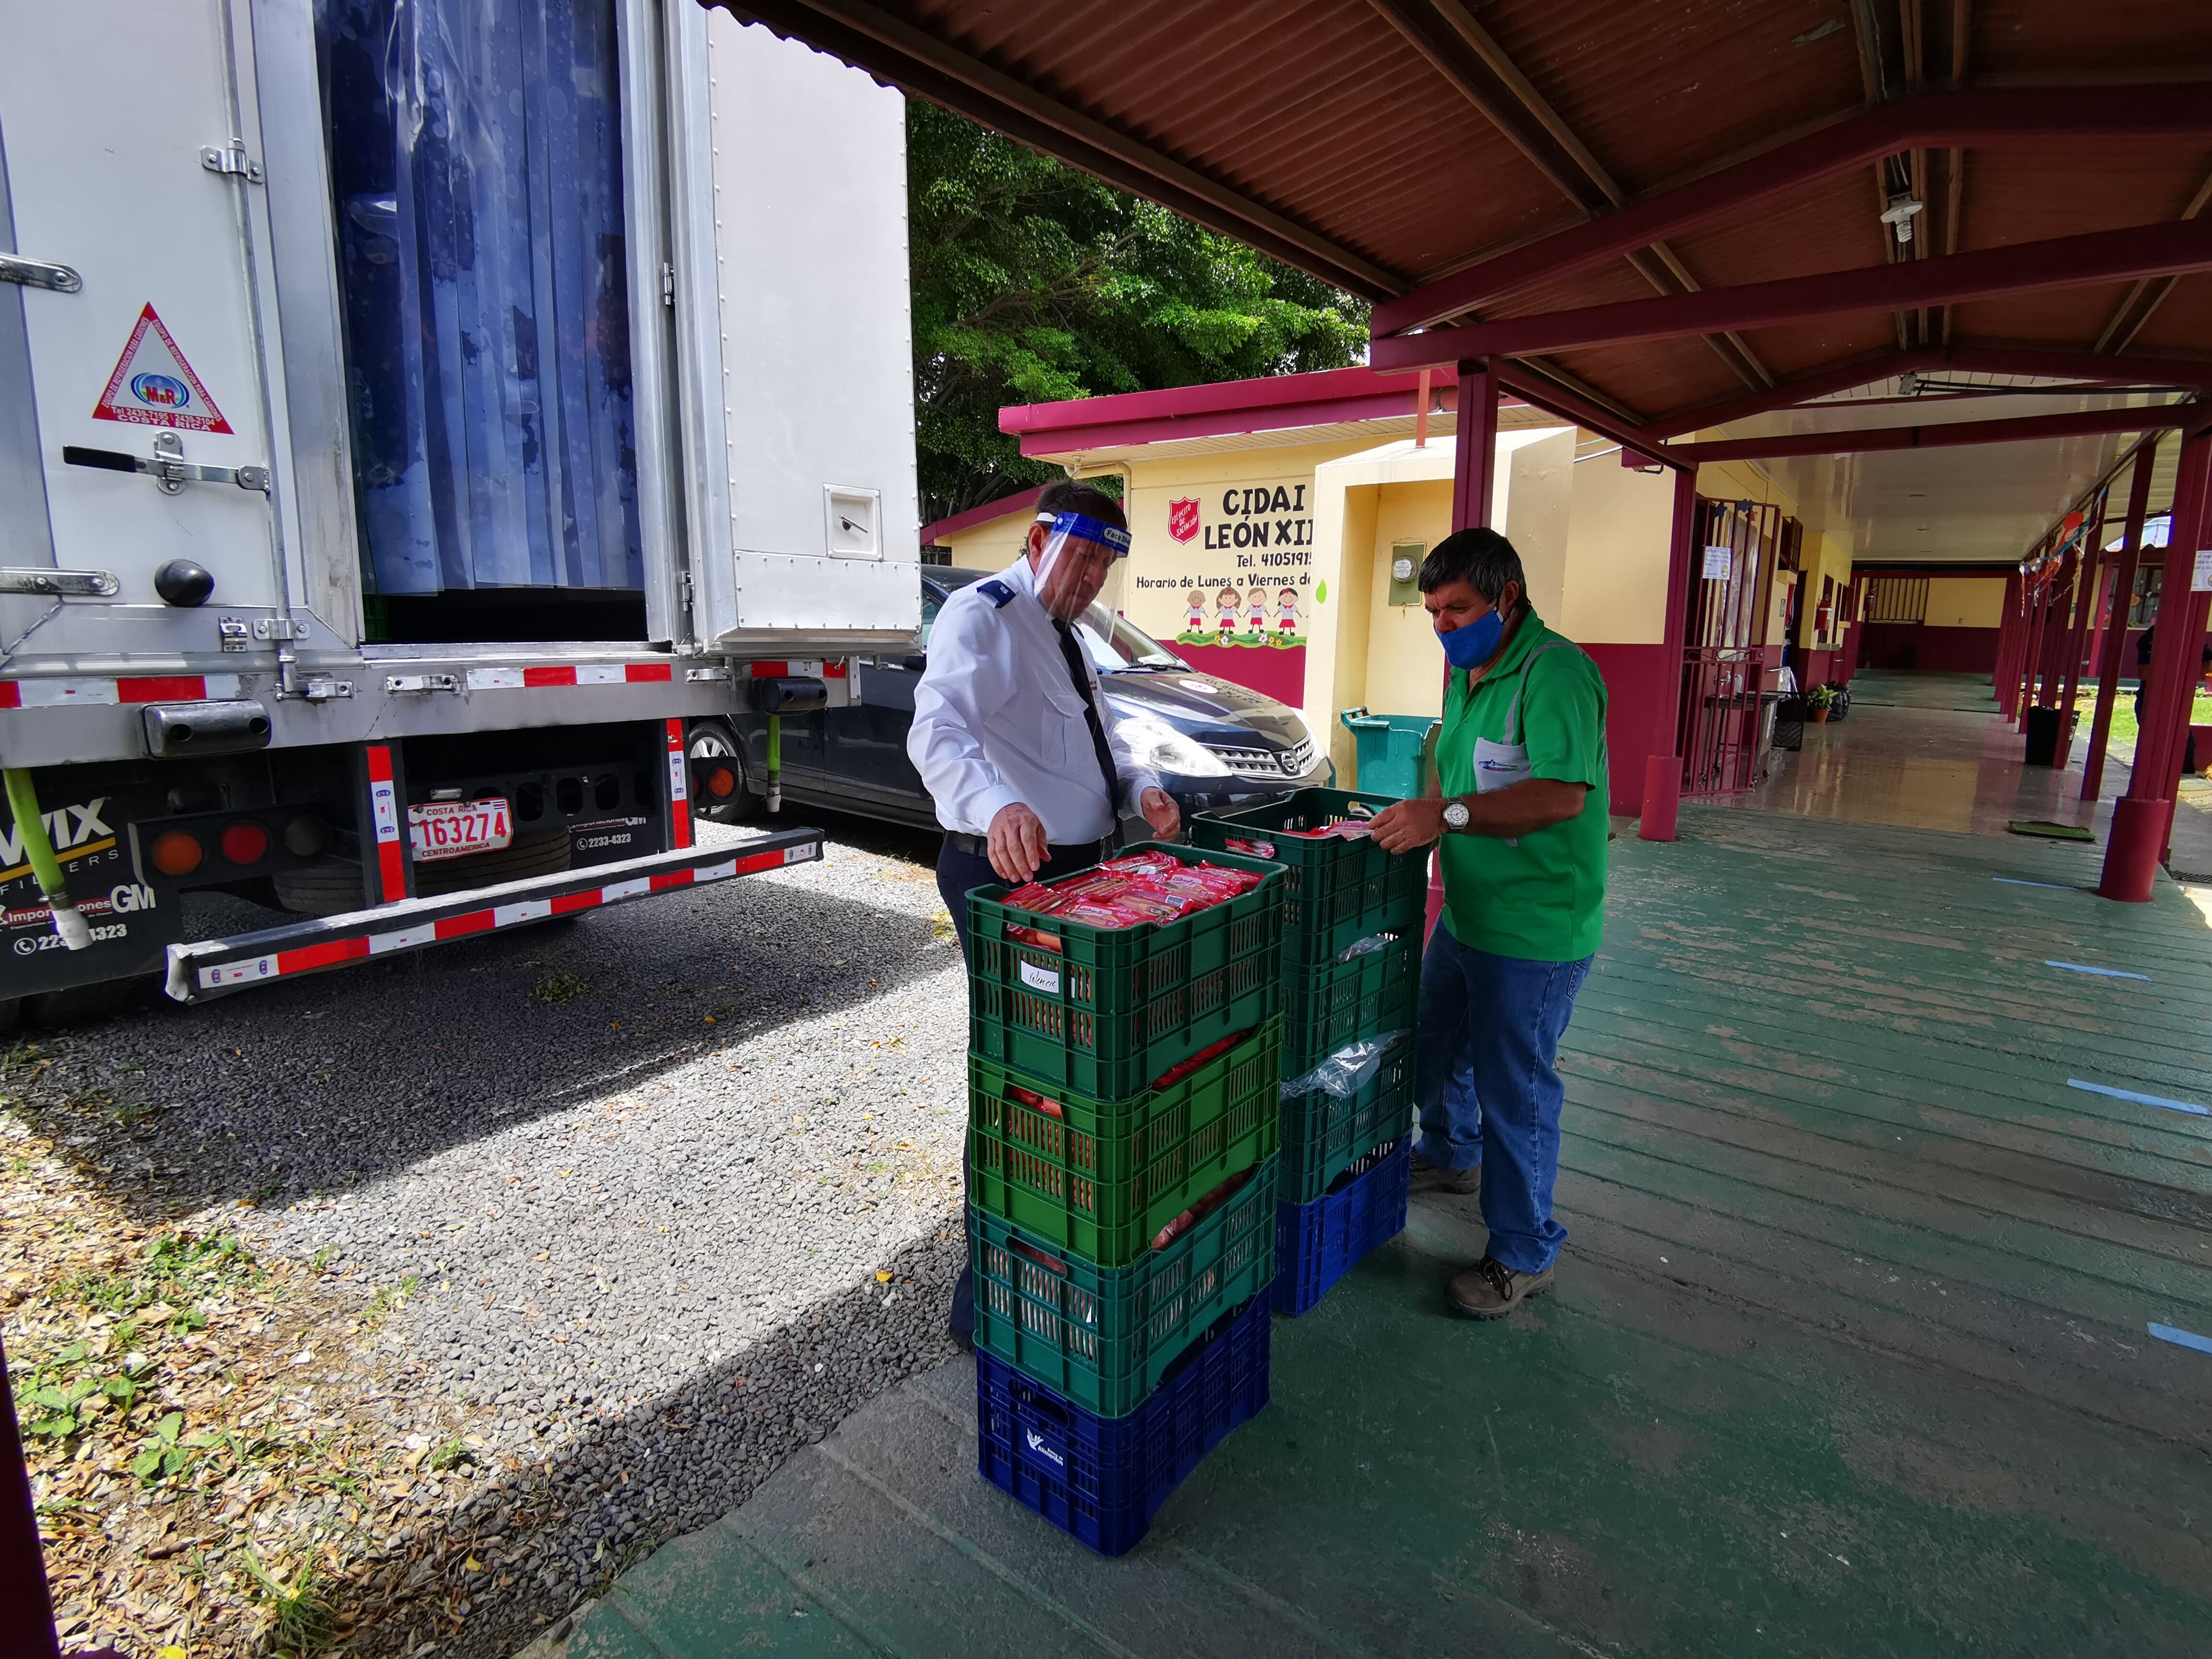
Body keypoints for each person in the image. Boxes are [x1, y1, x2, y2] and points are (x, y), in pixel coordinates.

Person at [906, 478, 1182, 1346]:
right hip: (1007, 875)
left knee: (1069, 1077)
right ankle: (984, 1289)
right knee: (1021, 1072)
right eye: (1084, 554)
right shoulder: (984, 614)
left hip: (1076, 877)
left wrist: (1142, 790)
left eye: (1107, 562)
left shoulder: (1068, 635)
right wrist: (996, 806)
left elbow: (1099, 740)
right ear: (1037, 540)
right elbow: (936, 729)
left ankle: (1061, 1250)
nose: (1094, 575)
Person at [1368, 528, 1610, 1320]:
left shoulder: (1554, 673)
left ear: (1507, 597)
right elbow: (1453, 769)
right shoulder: (1469, 671)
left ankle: (1523, 1250)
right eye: (1433, 612)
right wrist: (1430, 813)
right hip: (1469, 913)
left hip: (1536, 928)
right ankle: (1450, 1152)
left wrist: (1448, 813)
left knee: (1518, 1089)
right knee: (1435, 1045)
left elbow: (1561, 795)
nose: (1443, 625)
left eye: (1458, 609)